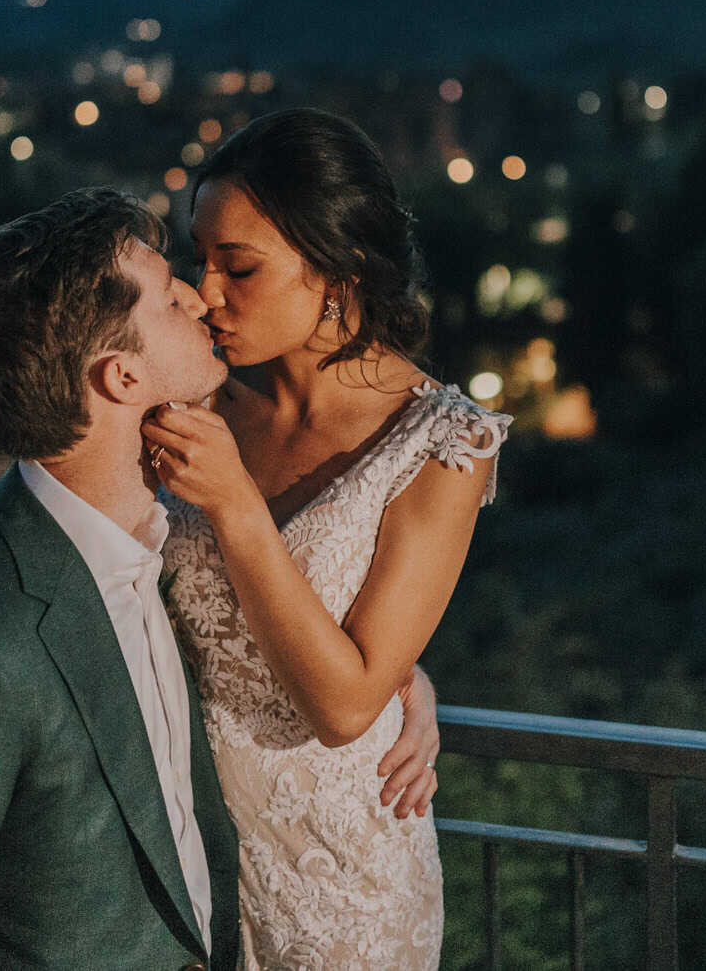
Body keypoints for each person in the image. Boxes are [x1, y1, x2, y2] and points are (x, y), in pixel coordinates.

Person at [0, 188, 438, 971]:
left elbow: (268, 647)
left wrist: (402, 682)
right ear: (122, 377)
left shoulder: (159, 543)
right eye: (171, 298)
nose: (201, 298)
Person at [143, 109, 511, 970]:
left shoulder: (442, 444)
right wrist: (405, 675)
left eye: (239, 267)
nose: (207, 291)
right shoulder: (193, 397)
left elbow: (345, 707)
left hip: (343, 896)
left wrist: (236, 503)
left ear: (338, 272)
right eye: (200, 260)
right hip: (189, 870)